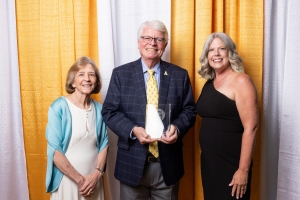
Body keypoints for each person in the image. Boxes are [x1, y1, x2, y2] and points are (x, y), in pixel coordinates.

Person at [102, 20, 196, 200]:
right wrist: (133, 130)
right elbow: (109, 111)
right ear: (139, 43)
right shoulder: (121, 74)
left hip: (167, 166)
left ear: (165, 45)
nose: (152, 43)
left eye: (158, 39)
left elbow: (189, 110)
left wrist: (177, 127)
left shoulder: (180, 75)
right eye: (147, 38)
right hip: (131, 164)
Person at [196, 32, 258, 200]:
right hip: (210, 163)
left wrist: (243, 170)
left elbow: (250, 128)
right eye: (211, 50)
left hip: (232, 164)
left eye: (221, 49)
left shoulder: (241, 81)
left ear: (229, 53)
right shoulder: (209, 84)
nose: (216, 54)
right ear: (206, 55)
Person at [45, 56, 109, 200]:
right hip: (67, 180)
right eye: (81, 74)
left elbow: (105, 145)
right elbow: (54, 152)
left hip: (93, 182)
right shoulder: (58, 107)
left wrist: (95, 176)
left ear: (96, 82)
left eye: (91, 75)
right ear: (73, 82)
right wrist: (81, 181)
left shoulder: (100, 109)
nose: (87, 79)